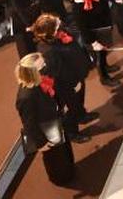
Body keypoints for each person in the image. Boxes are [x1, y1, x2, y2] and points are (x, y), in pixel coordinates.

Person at [32, 13, 95, 143]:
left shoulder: (60, 34)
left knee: (79, 101)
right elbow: (60, 73)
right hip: (68, 84)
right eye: (56, 22)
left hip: (77, 75)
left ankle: (82, 115)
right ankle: (72, 132)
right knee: (73, 107)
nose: (59, 20)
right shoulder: (49, 50)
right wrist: (74, 83)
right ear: (51, 32)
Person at [14, 52, 76, 185]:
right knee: (55, 158)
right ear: (32, 72)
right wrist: (40, 143)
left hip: (55, 122)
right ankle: (60, 178)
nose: (46, 66)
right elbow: (29, 123)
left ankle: (69, 170)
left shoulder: (41, 81)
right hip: (46, 131)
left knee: (64, 150)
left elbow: (52, 97)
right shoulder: (26, 97)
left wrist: (60, 106)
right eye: (42, 66)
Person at [70, 0, 120, 85]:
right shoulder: (79, 7)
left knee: (103, 53)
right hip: (95, 35)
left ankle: (106, 66)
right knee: (99, 56)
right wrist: (93, 42)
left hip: (103, 28)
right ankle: (104, 77)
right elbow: (83, 28)